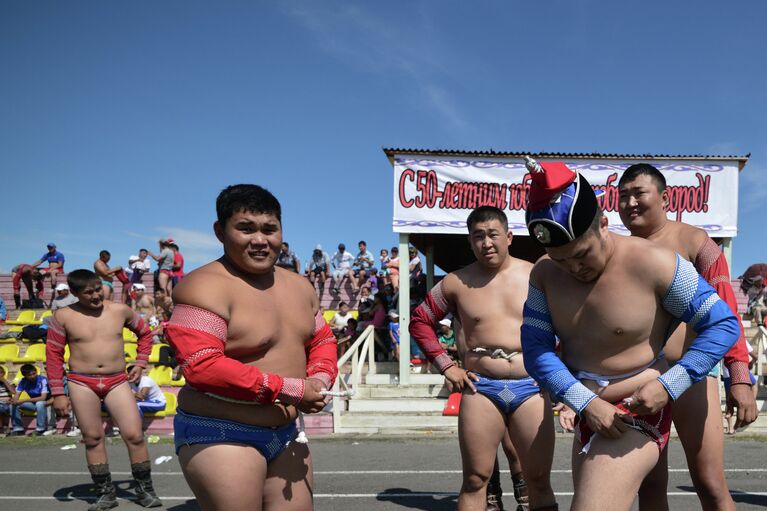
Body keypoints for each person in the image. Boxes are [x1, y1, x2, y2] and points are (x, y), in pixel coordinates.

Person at [520, 157, 740, 511]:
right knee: (648, 498)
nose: (574, 268)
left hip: (635, 408)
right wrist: (584, 402)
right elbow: (535, 351)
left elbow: (724, 324)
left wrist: (672, 385)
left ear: (603, 224)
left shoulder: (655, 261)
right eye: (561, 259)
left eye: (582, 254)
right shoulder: (544, 275)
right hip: (587, 409)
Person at [164, 184, 338, 510]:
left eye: (269, 229)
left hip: (286, 433)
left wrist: (320, 378)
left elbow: (322, 340)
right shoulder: (203, 286)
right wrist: (290, 389)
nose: (260, 240)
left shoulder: (300, 286)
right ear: (220, 231)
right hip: (221, 432)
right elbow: (201, 365)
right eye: (246, 228)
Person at [615, 163, 757, 510]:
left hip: (693, 374)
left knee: (709, 483)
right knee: (650, 484)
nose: (630, 203)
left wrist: (738, 376)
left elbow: (727, 315)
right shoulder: (617, 251)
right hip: (641, 375)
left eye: (638, 193)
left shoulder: (696, 243)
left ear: (664, 198)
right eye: (622, 196)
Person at [410, 205, 556, 511]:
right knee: (476, 479)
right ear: (470, 241)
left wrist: (558, 375)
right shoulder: (455, 282)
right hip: (481, 389)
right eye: (478, 237)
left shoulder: (537, 275)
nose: (486, 243)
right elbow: (420, 321)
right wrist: (446, 366)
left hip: (530, 385)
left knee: (539, 479)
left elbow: (570, 324)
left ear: (509, 236)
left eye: (492, 234)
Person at [45, 269, 162, 510]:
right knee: (93, 438)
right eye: (88, 293)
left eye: (98, 289)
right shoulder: (63, 316)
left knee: (134, 435)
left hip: (117, 380)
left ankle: (145, 490)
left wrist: (141, 362)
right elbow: (53, 356)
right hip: (81, 382)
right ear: (76, 293)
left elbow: (145, 333)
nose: (96, 296)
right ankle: (105, 494)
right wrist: (58, 392)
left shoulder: (120, 310)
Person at [9, 364, 49, 436]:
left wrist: (23, 400)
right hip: (33, 404)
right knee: (14, 404)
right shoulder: (23, 381)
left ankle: (40, 429)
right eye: (29, 375)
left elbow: (43, 397)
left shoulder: (42, 380)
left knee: (39, 403)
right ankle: (18, 429)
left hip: (46, 403)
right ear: (25, 376)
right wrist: (14, 400)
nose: (33, 376)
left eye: (34, 373)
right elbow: (17, 395)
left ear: (36, 372)